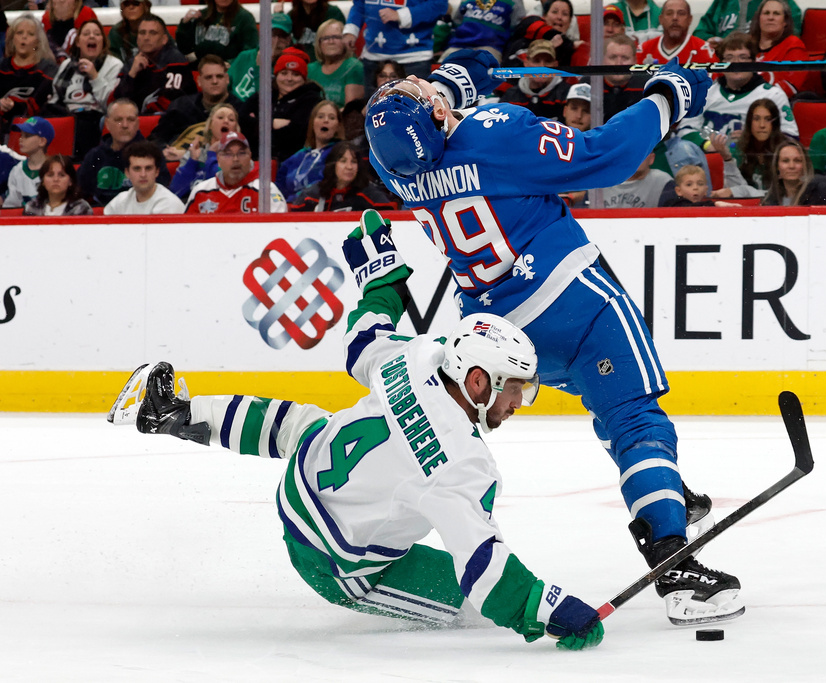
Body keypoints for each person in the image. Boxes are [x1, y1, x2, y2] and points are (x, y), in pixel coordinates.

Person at [107, 211, 605, 649]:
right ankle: (371, 582)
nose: (520, 402)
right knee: (470, 611)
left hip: (301, 482)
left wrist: (380, 280)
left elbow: (363, 336)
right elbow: (483, 570)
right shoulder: (463, 464)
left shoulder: (418, 357)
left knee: (303, 425)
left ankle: (175, 413)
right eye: (515, 389)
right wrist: (549, 608)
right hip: (333, 562)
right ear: (477, 381)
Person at [364, 60, 747, 626]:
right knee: (633, 418)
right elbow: (605, 156)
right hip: (574, 304)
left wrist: (445, 85)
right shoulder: (495, 133)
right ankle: (674, 562)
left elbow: (428, 127)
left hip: (500, 333)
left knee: (611, 409)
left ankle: (663, 491)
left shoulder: (390, 162)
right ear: (440, 114)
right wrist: (667, 96)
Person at [668, 32, 797, 182]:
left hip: (750, 165)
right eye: (729, 58)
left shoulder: (772, 95)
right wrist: (710, 145)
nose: (736, 63)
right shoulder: (706, 92)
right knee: (678, 148)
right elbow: (685, 130)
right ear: (720, 63)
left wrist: (752, 139)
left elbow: (791, 137)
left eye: (742, 57)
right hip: (707, 161)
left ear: (753, 61)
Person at [45, 19, 124, 160]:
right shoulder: (67, 65)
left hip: (95, 116)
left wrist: (95, 76)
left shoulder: (114, 65)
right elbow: (56, 97)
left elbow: (111, 105)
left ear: (103, 42)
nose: (92, 37)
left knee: (83, 123)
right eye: (86, 34)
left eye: (97, 34)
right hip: (67, 116)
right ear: (78, 42)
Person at [79, 98, 171, 206]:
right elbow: (78, 192)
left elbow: (161, 193)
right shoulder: (95, 156)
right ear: (107, 124)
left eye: (130, 120)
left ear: (137, 123)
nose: (125, 125)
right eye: (118, 120)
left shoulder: (153, 153)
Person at [238, 47, 324, 161]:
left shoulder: (311, 100)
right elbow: (242, 119)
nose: (289, 79)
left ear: (304, 78)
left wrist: (257, 123)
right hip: (254, 160)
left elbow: (294, 135)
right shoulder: (265, 94)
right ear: (276, 75)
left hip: (291, 163)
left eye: (295, 74)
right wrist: (272, 123)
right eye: (284, 73)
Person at [342, 0, 447, 92]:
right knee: (372, 108)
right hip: (373, 55)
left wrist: (401, 15)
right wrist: (351, 30)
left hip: (413, 56)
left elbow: (439, 4)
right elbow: (359, 5)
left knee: (416, 108)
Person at [150, 54, 241, 153]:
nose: (215, 81)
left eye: (219, 76)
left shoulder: (239, 109)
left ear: (227, 79)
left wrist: (186, 154)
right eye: (208, 77)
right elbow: (156, 139)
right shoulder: (180, 106)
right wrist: (165, 151)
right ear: (199, 81)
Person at [184, 131, 288, 213]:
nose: (235, 159)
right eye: (228, 154)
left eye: (242, 153)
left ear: (250, 157)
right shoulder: (201, 192)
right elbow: (185, 232)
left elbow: (280, 230)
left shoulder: (266, 190)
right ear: (218, 159)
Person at [112, 14, 197, 115]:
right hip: (136, 119)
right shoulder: (131, 64)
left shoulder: (175, 59)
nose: (146, 38)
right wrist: (132, 75)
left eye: (153, 33)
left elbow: (172, 99)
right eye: (142, 33)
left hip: (173, 118)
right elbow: (117, 102)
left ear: (164, 39)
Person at [708, 97, 785, 199]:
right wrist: (727, 159)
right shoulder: (738, 149)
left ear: (775, 124)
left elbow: (785, 193)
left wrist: (744, 191)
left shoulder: (785, 150)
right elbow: (735, 192)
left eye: (768, 119)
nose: (762, 125)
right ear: (749, 122)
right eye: (756, 119)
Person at [289, 140, 398, 211]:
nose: (349, 167)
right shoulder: (312, 195)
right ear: (333, 164)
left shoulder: (370, 195)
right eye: (343, 161)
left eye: (354, 162)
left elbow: (390, 218)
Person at [275, 99, 343, 202]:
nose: (326, 120)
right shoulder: (297, 156)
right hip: (288, 210)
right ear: (312, 123)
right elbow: (279, 187)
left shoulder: (341, 154)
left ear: (338, 126)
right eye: (320, 116)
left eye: (332, 118)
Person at [168, 102, 239, 199]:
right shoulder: (195, 153)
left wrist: (212, 154)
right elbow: (175, 191)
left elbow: (218, 191)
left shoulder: (239, 158)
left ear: (235, 129)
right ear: (210, 125)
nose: (226, 121)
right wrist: (191, 162)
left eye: (231, 119)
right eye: (220, 117)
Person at [0, 14, 58, 132]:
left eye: (30, 34)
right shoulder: (2, 67)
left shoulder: (48, 70)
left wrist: (12, 106)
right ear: (12, 38)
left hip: (32, 127)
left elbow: (36, 107)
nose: (24, 37)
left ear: (37, 42)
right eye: (19, 33)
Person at [227, 13, 293, 104]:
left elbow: (267, 104)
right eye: (272, 34)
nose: (276, 41)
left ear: (288, 40)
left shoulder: (289, 65)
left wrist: (264, 66)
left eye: (281, 36)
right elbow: (225, 86)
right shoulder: (244, 56)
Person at [104, 140, 186, 214]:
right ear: (127, 173)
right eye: (137, 169)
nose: (143, 174)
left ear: (157, 171)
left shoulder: (168, 205)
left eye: (148, 168)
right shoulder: (120, 201)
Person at [750, 0, 809, 98]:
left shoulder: (793, 45)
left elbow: (789, 88)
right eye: (766, 13)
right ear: (759, 18)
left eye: (776, 14)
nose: (770, 17)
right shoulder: (747, 43)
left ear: (785, 21)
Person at [500, 39, 569, 120]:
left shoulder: (566, 94)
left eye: (548, 61)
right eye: (536, 61)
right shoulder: (511, 95)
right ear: (526, 63)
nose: (542, 66)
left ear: (555, 65)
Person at [693, 0, 802, 49]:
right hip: (722, 58)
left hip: (759, 58)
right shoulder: (722, 2)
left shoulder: (778, 2)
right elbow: (699, 32)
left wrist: (758, 44)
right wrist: (711, 40)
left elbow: (792, 30)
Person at [503, 0, 580, 68]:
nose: (559, 17)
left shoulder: (571, 50)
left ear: (570, 22)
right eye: (554, 12)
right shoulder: (526, 38)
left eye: (565, 14)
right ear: (544, 16)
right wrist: (549, 45)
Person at [176, 0, 258, 63]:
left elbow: (250, 52)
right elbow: (183, 49)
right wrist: (185, 23)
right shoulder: (200, 15)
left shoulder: (245, 18)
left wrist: (232, 63)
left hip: (229, 72)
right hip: (200, 70)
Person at [761, 139, 826, 206]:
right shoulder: (769, 201)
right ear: (777, 167)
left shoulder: (821, 192)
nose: (791, 166)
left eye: (797, 160)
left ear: (805, 165)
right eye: (785, 161)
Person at [637, 0, 715, 66]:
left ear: (690, 19)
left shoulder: (704, 51)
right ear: (661, 19)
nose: (675, 18)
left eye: (681, 13)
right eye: (669, 13)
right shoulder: (643, 50)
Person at [442, 0, 526, 61]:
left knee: (485, 73)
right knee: (440, 71)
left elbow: (517, 28)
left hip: (490, 47)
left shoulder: (514, 2)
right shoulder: (466, 1)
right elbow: (457, 23)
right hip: (458, 45)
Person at [308, 19, 364, 108]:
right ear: (319, 43)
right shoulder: (310, 69)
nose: (331, 42)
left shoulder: (353, 66)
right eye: (326, 38)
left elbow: (350, 109)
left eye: (336, 37)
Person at [3, 116, 51, 208]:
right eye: (21, 135)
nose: (21, 139)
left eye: (27, 136)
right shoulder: (17, 170)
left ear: (42, 141)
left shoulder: (55, 170)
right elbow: (11, 207)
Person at [22, 154, 91, 215]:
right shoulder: (32, 207)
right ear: (42, 181)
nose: (56, 179)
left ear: (70, 181)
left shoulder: (81, 208)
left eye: (61, 175)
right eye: (50, 175)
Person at [280, 0, 346, 61]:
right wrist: (279, 16)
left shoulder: (333, 13)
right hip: (298, 68)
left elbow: (344, 48)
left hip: (325, 66)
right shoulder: (291, 16)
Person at [604, 151, 674, 208]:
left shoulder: (663, 181)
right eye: (632, 153)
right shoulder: (600, 180)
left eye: (642, 153)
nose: (637, 158)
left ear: (651, 158)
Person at [602, 33, 646, 119]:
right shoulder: (589, 84)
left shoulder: (646, 87)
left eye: (625, 58)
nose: (618, 63)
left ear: (635, 61)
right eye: (613, 57)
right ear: (603, 59)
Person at [108, 0, 152, 65]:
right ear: (122, 9)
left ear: (145, 6)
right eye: (126, 4)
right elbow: (112, 63)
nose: (131, 7)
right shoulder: (116, 32)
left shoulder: (156, 29)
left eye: (135, 3)